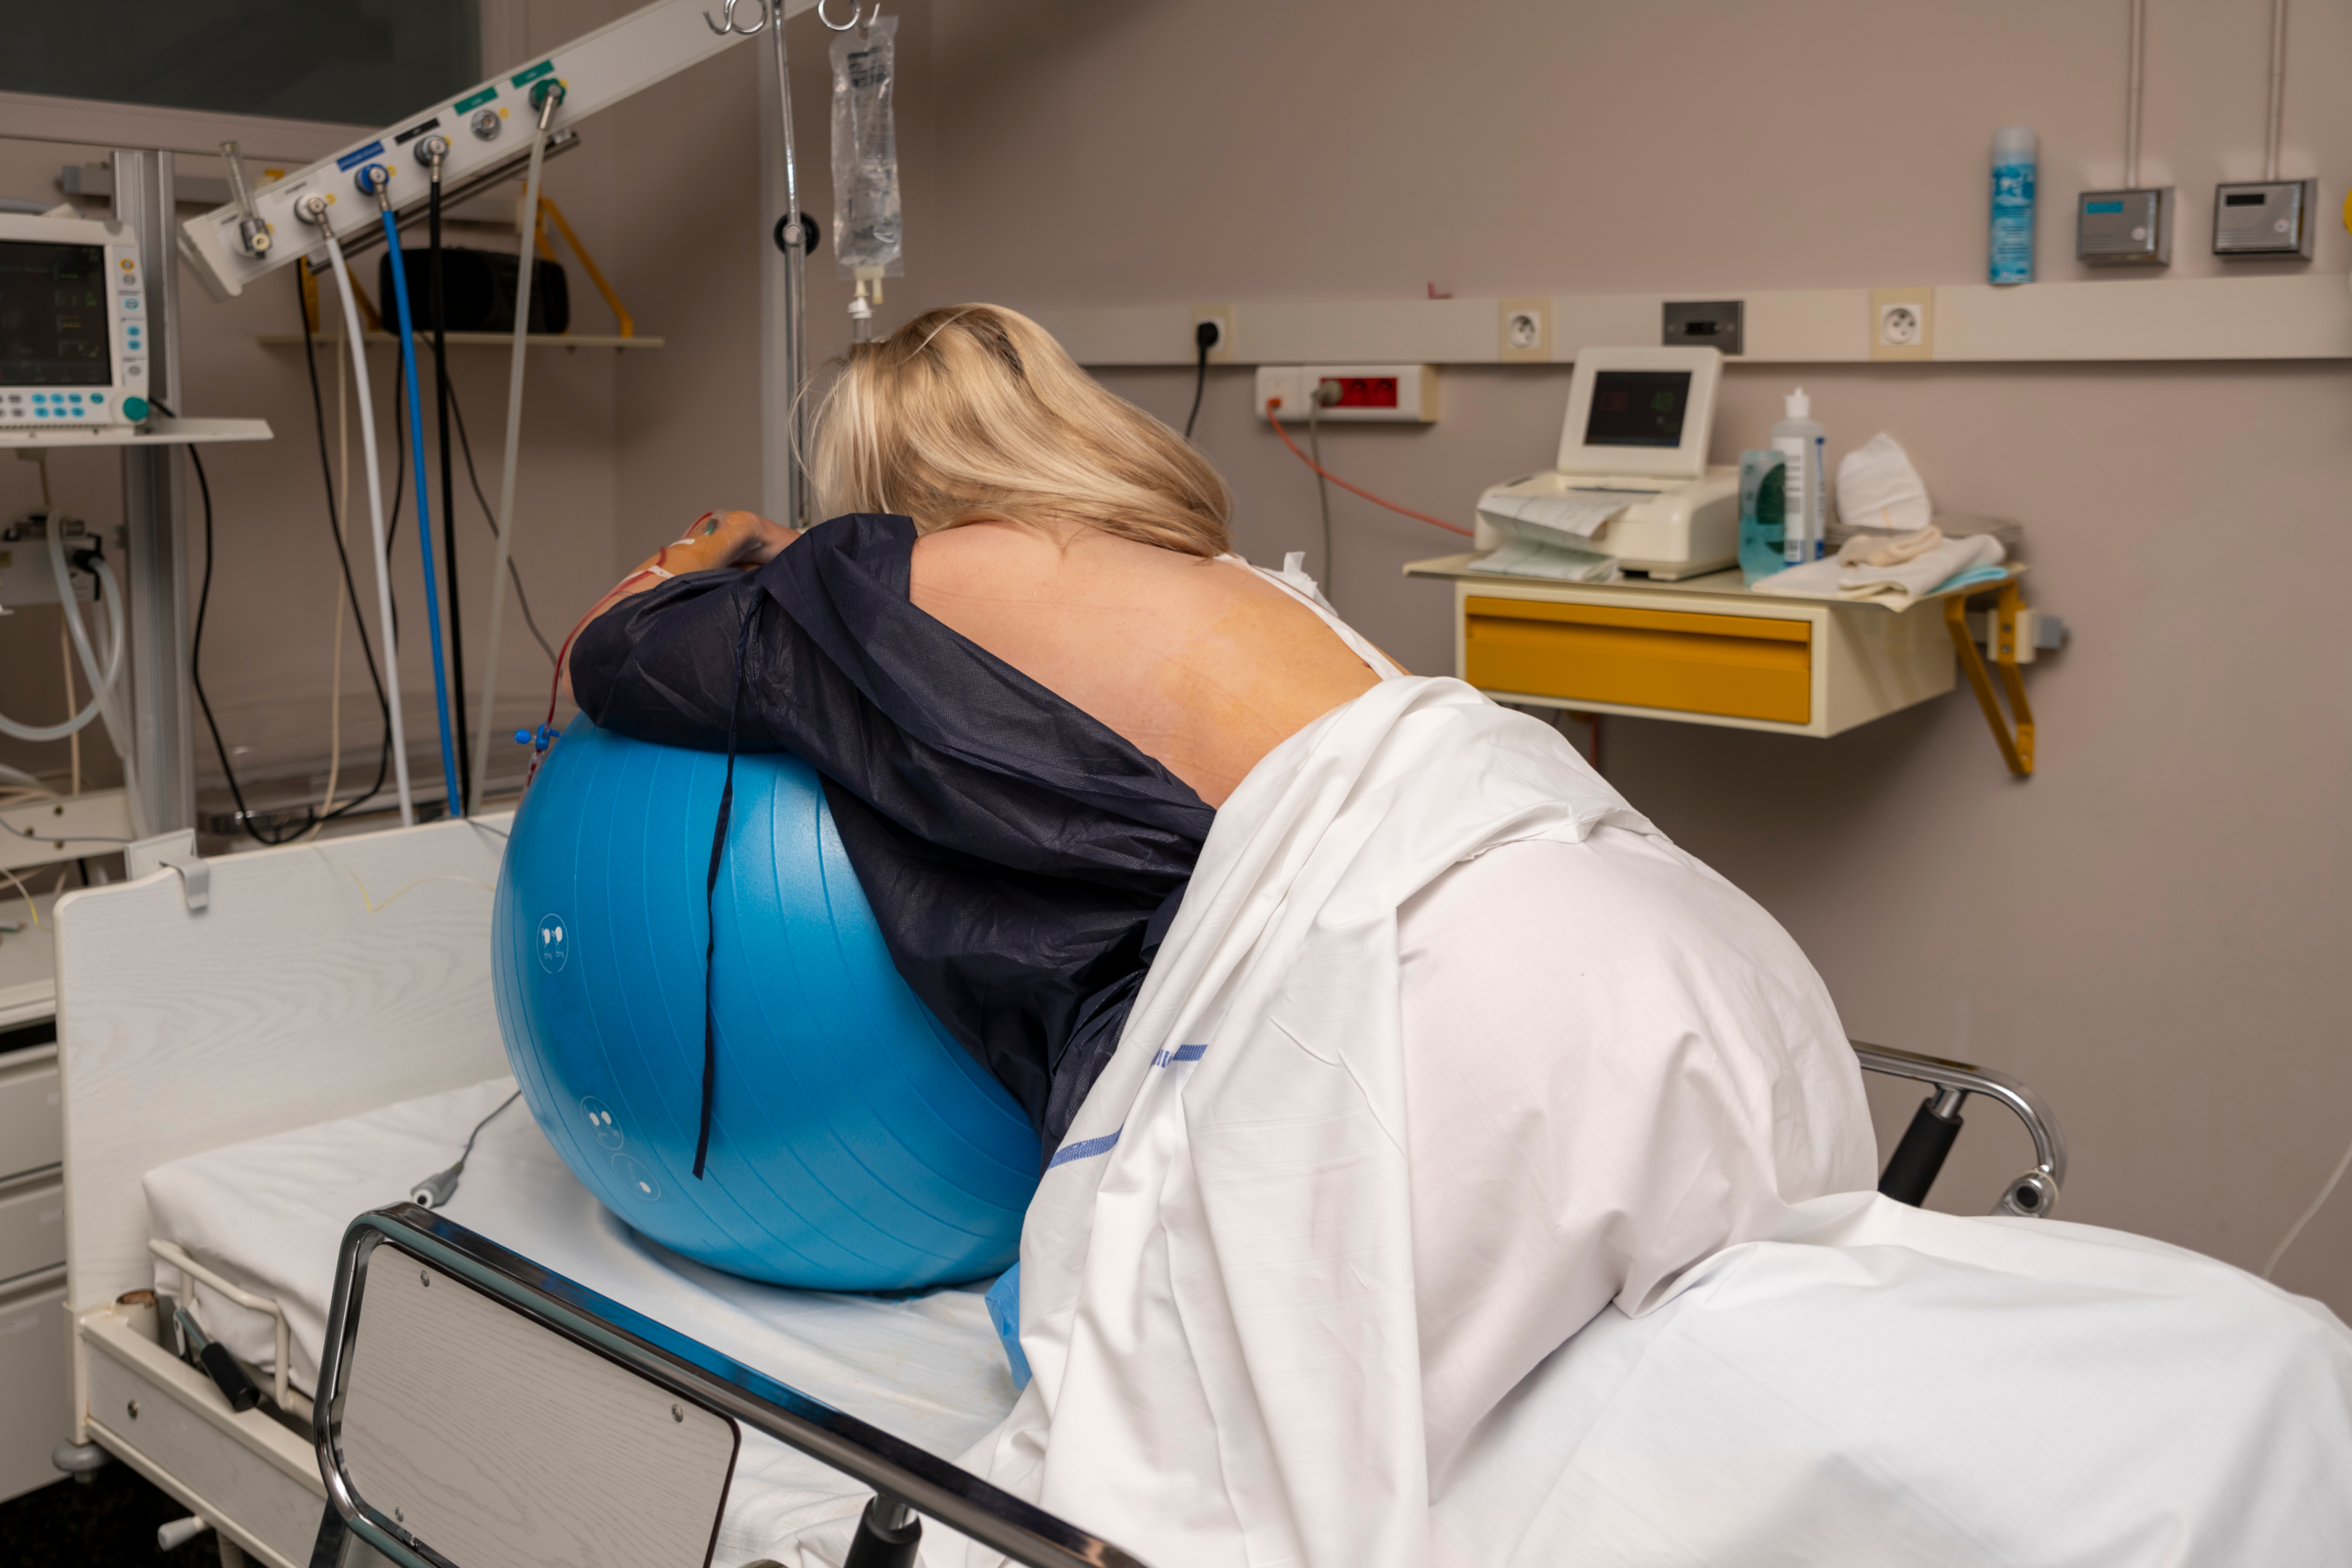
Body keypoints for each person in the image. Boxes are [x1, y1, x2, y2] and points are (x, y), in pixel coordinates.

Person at [567, 305, 1880, 1563]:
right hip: (1694, 955)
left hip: (1444, 1003)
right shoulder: (1240, 582)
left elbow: (612, 653)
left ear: (878, 477)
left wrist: (719, 542)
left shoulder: (875, 584)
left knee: (1164, 1512)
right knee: (1619, 1459)